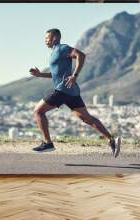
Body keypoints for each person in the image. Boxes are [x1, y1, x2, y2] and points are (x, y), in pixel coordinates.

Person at [29, 28, 121, 157]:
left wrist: (75, 75)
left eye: (47, 38)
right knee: (86, 118)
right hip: (71, 91)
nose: (45, 41)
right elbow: (55, 74)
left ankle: (48, 143)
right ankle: (112, 140)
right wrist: (40, 74)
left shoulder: (62, 48)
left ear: (55, 38)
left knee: (38, 111)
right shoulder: (54, 53)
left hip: (63, 89)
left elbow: (80, 55)